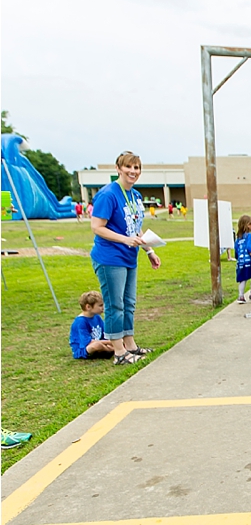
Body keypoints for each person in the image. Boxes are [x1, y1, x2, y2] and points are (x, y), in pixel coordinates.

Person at [90, 152, 160, 365]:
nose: (133, 172)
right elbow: (97, 227)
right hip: (110, 257)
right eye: (128, 167)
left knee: (129, 303)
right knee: (115, 304)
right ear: (118, 168)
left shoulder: (135, 196)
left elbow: (136, 230)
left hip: (130, 257)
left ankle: (130, 345)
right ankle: (119, 351)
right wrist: (123, 240)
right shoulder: (108, 195)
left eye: (137, 168)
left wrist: (149, 251)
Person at [69, 291, 115, 360]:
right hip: (84, 349)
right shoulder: (80, 322)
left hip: (100, 342)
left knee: (118, 338)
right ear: (88, 307)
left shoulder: (97, 317)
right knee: (96, 345)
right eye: (100, 305)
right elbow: (87, 342)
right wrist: (109, 342)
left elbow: (104, 334)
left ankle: (109, 350)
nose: (103, 308)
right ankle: (112, 350)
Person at [235, 215, 251, 302]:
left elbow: (236, 251)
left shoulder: (238, 238)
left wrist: (238, 259)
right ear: (248, 225)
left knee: (242, 279)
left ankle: (241, 296)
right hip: (250, 261)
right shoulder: (250, 236)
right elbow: (250, 248)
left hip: (241, 263)